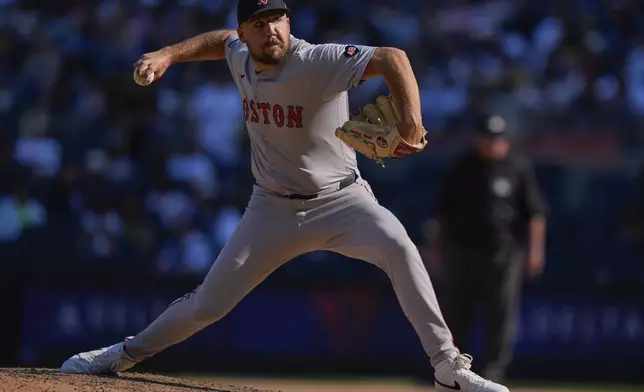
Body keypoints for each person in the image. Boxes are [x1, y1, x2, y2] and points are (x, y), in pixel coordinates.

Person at [60, 1, 508, 391]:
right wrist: (167, 55)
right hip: (271, 208)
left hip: (343, 201)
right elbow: (220, 41)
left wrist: (411, 122)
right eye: (258, 23)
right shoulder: (239, 55)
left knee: (399, 247)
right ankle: (123, 354)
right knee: (207, 305)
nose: (270, 29)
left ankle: (448, 368)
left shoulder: (317, 61)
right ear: (245, 32)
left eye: (277, 19)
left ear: (289, 23)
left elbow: (394, 57)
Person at [431, 114, 547, 383]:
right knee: (458, 311)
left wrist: (536, 251)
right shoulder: (462, 167)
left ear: (504, 140)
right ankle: (452, 368)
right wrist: (437, 249)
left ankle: (495, 369)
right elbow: (442, 213)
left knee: (500, 312)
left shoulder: (517, 168)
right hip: (461, 252)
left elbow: (535, 214)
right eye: (486, 138)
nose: (491, 144)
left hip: (503, 254)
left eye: (496, 139)